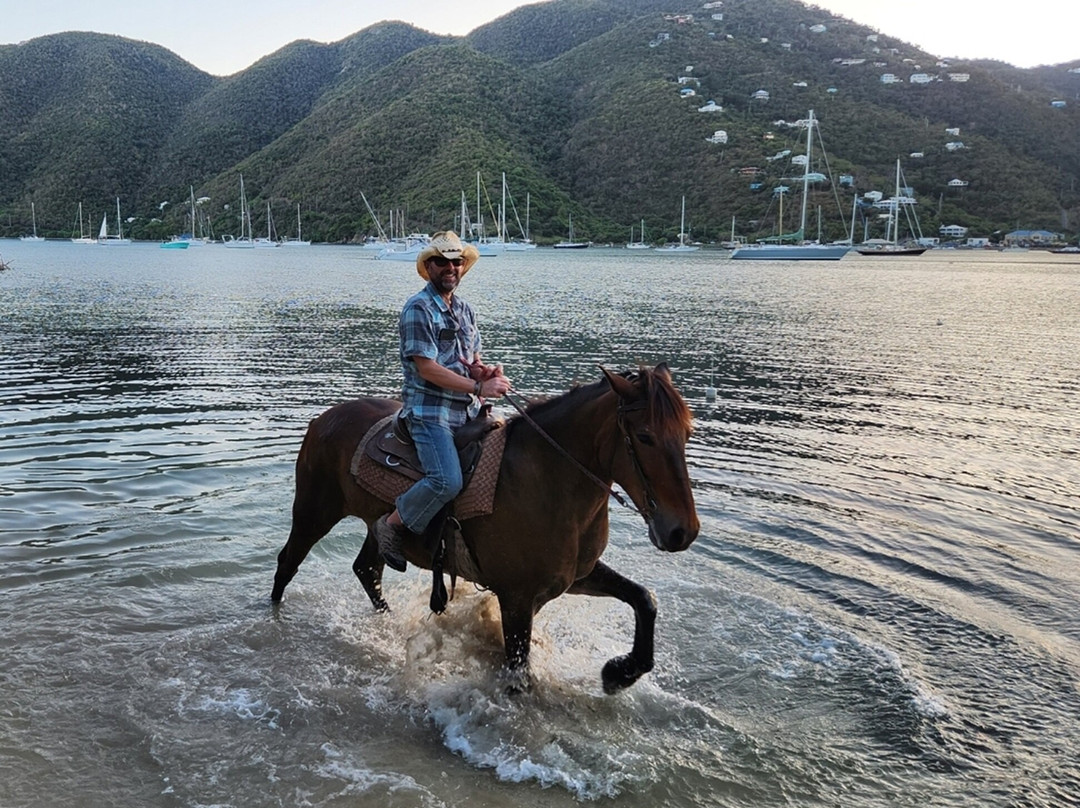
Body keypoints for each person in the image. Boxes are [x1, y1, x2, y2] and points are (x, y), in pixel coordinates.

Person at [372, 231, 511, 572]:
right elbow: (428, 368)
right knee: (447, 480)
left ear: (463, 267)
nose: (450, 267)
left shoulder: (464, 310)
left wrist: (484, 372)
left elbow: (470, 359)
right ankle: (390, 526)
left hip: (468, 411)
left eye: (456, 261)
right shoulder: (418, 308)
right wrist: (477, 389)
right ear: (429, 266)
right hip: (430, 413)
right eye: (442, 262)